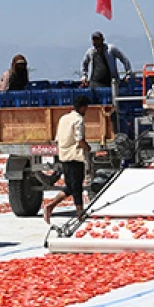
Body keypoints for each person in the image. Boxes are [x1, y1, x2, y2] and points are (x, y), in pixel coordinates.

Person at [44, 95, 91, 223]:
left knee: (70, 186)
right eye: (85, 108)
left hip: (64, 155)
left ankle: (50, 206)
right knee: (77, 186)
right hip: (75, 156)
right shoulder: (78, 120)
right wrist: (88, 149)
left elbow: (58, 138)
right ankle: (80, 213)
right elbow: (79, 140)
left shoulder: (64, 118)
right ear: (82, 108)